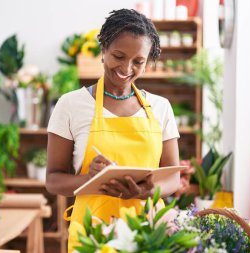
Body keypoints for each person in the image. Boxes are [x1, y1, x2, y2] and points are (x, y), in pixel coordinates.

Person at [46, 8, 192, 252]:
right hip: (91, 236)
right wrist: (88, 179)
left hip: (148, 236)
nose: (127, 68)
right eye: (119, 56)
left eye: (138, 61)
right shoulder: (71, 105)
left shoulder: (160, 107)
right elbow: (53, 180)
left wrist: (146, 191)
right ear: (103, 49)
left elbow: (172, 177)